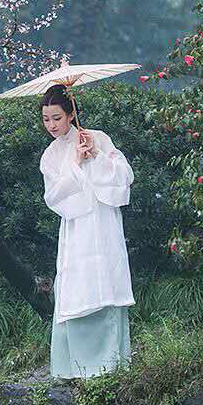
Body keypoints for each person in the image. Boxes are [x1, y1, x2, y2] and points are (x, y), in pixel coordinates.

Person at [39, 84, 134, 380]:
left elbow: (124, 176)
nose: (51, 125)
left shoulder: (98, 138)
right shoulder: (50, 155)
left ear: (71, 115)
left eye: (57, 118)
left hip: (104, 222)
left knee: (108, 277)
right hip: (77, 227)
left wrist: (96, 155)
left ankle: (111, 364)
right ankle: (77, 366)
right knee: (79, 283)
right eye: (46, 119)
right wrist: (76, 164)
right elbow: (54, 196)